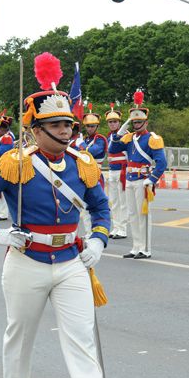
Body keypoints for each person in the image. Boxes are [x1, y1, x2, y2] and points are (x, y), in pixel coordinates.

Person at [0, 52, 120, 378]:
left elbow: (100, 209)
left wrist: (98, 239)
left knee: (81, 337)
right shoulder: (15, 163)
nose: (65, 130)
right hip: (26, 261)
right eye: (55, 124)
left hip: (71, 261)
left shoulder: (83, 163)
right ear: (34, 129)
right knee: (21, 334)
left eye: (68, 123)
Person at [108, 90, 167, 259]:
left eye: (139, 121)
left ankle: (145, 249)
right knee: (133, 215)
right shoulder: (128, 138)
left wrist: (152, 179)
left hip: (143, 180)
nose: (136, 124)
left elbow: (162, 162)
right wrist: (121, 129)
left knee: (144, 216)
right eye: (134, 122)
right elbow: (112, 149)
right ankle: (136, 247)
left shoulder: (152, 138)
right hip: (129, 179)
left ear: (146, 122)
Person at [79, 107, 109, 236]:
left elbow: (92, 152)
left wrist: (81, 144)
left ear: (97, 126)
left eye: (92, 126)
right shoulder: (86, 139)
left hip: (95, 174)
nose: (89, 128)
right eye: (87, 126)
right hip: (84, 174)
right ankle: (88, 232)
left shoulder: (100, 139)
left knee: (94, 204)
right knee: (84, 206)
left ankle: (95, 230)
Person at [105, 104, 128, 239]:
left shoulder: (124, 134)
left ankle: (123, 229)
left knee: (123, 201)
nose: (112, 124)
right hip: (112, 171)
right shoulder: (109, 136)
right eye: (110, 122)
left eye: (115, 121)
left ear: (119, 123)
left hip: (122, 171)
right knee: (114, 201)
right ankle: (116, 227)